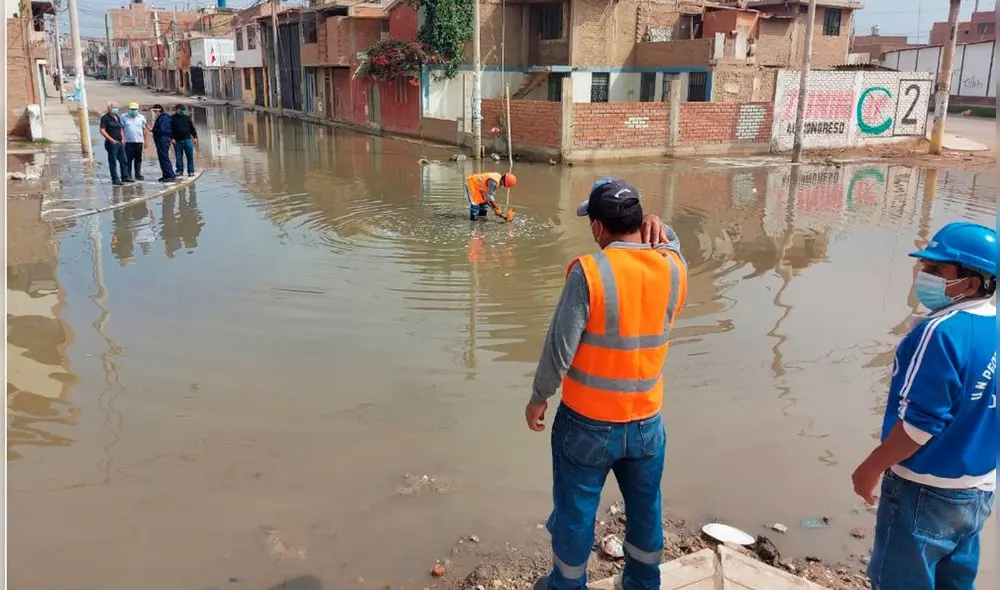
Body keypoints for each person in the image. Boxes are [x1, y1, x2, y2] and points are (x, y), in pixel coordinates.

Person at [526, 178, 688, 590]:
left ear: (599, 228)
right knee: (646, 510)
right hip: (647, 424)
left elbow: (559, 348)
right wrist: (661, 226)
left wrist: (539, 396)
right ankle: (640, 583)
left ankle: (566, 585)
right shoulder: (672, 266)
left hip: (587, 425)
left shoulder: (590, 272)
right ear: (639, 220)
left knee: (576, 511)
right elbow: (673, 242)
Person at [852, 221, 996, 590]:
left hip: (923, 488)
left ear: (972, 282)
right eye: (926, 266)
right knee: (954, 582)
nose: (924, 275)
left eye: (937, 270)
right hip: (977, 490)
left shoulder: (938, 332)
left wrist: (869, 469)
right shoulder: (992, 328)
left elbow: (920, 426)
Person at [99, 101, 133, 186]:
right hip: (111, 143)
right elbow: (102, 131)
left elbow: (121, 128)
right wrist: (111, 140)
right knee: (113, 161)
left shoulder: (117, 117)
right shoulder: (105, 118)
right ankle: (115, 178)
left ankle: (125, 176)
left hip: (120, 142)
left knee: (124, 160)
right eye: (114, 107)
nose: (116, 109)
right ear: (109, 108)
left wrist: (123, 138)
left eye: (116, 107)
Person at [122, 102, 149, 181]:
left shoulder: (141, 117)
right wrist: (122, 139)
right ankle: (128, 175)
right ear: (129, 109)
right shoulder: (124, 117)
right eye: (132, 109)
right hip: (128, 141)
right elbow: (121, 129)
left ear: (137, 109)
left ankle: (138, 174)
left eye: (135, 109)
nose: (133, 111)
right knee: (128, 159)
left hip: (139, 141)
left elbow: (145, 130)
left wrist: (146, 140)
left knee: (138, 159)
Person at [170, 103, 198, 177]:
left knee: (190, 156)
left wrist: (195, 137)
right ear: (176, 110)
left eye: (182, 110)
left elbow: (192, 128)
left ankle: (191, 171)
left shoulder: (187, 118)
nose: (181, 111)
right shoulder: (172, 118)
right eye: (179, 110)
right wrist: (171, 138)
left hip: (187, 140)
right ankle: (179, 170)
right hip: (177, 141)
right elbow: (170, 130)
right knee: (178, 156)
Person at [150, 104, 176, 183]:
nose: (154, 113)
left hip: (163, 139)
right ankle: (165, 175)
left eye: (154, 111)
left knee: (164, 157)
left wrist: (152, 130)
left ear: (158, 110)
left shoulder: (164, 118)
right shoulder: (161, 118)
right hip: (160, 139)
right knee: (162, 157)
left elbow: (163, 130)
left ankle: (170, 175)